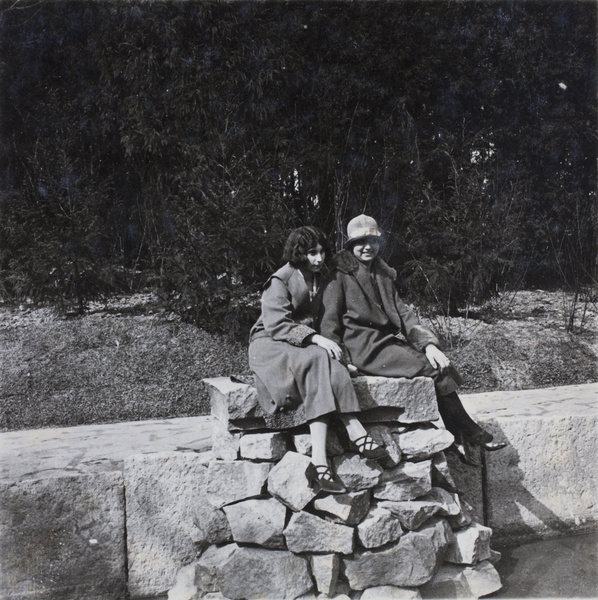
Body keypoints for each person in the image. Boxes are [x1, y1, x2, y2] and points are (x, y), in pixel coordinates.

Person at [320, 214, 506, 466]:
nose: (367, 247)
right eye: (360, 241)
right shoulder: (339, 275)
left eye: (372, 240)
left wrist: (428, 344)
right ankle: (469, 431)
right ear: (350, 246)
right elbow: (328, 322)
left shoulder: (383, 273)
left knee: (441, 363)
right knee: (431, 369)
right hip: (362, 348)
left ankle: (460, 434)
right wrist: (340, 362)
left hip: (384, 342)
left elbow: (403, 313)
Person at [248, 225, 389, 494]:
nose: (319, 258)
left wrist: (333, 348)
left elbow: (327, 319)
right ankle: (322, 459)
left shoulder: (319, 277)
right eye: (312, 253)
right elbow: (276, 324)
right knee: (316, 356)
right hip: (270, 342)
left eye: (322, 252)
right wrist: (315, 339)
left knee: (333, 365)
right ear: (299, 254)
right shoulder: (280, 280)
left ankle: (352, 436)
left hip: (305, 341)